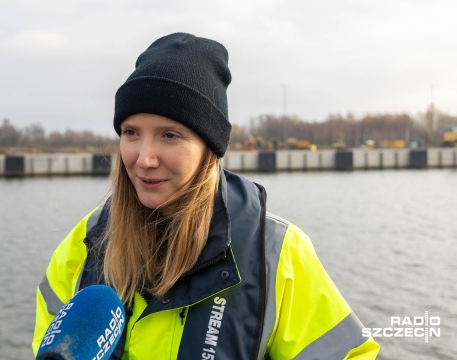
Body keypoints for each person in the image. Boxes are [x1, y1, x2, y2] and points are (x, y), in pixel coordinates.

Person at [33, 32, 379, 359]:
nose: (144, 158)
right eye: (131, 132)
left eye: (170, 135)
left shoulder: (276, 254)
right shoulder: (85, 243)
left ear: (208, 150)